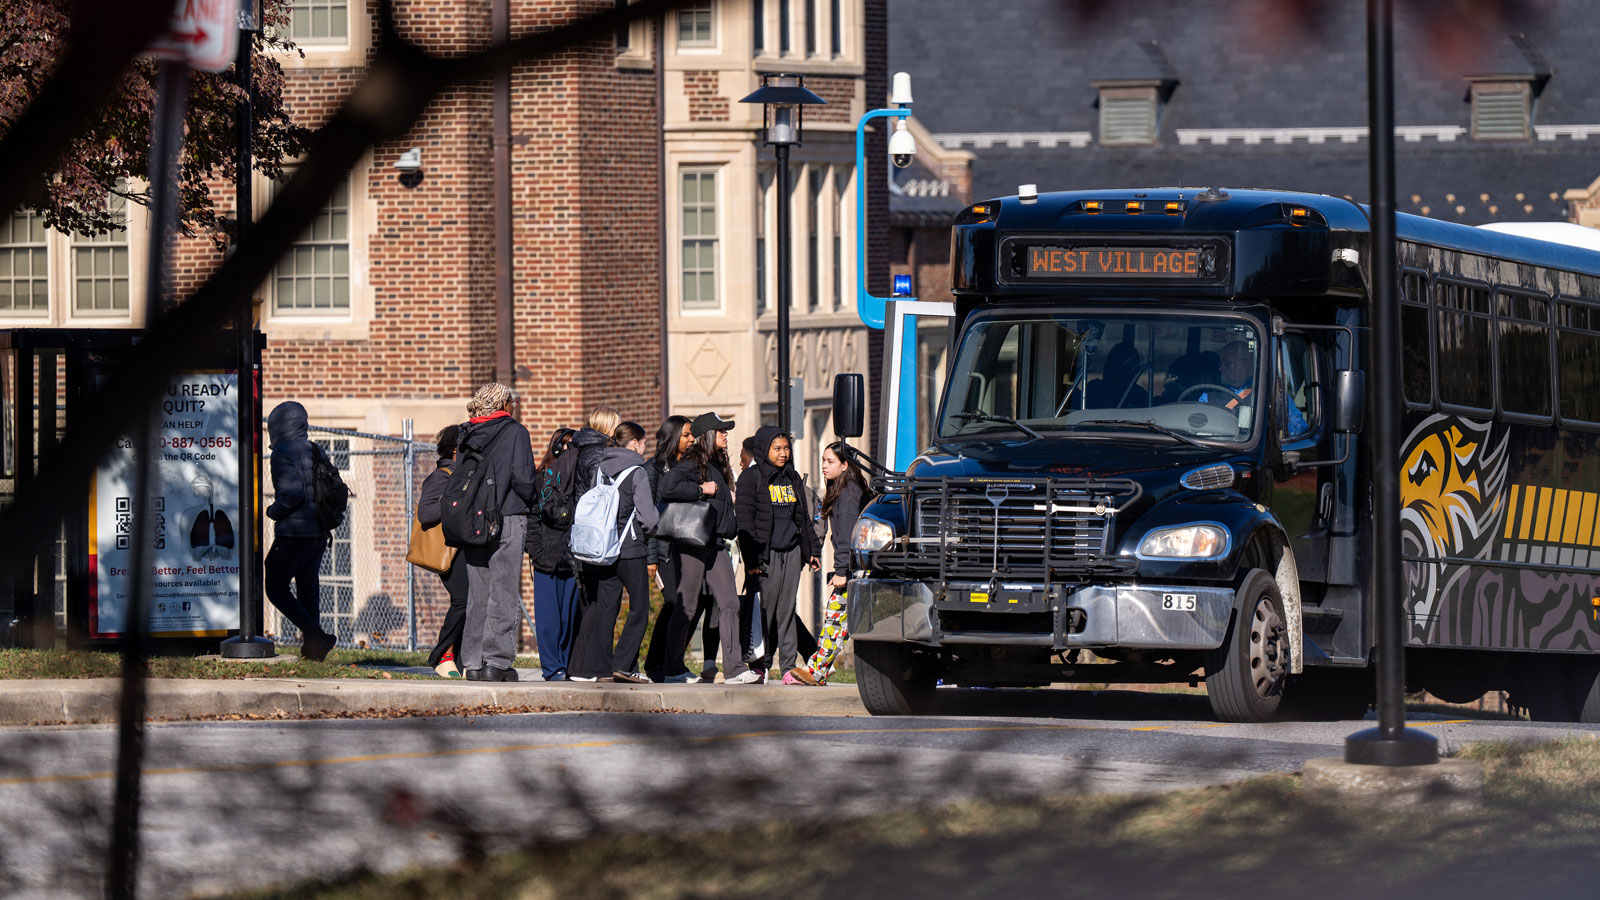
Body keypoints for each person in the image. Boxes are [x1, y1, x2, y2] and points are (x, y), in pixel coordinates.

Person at [660, 412, 763, 683]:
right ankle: (671, 669)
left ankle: (734, 669)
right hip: (693, 544)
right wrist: (700, 490)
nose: (726, 435)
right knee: (688, 607)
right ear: (708, 435)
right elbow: (667, 487)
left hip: (717, 545)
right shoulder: (694, 462)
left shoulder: (717, 463)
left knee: (730, 603)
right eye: (721, 431)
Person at [569, 422, 659, 683]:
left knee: (608, 608)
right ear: (634, 444)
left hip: (604, 548)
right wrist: (654, 531)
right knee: (640, 607)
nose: (644, 448)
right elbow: (649, 518)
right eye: (643, 443)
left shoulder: (601, 469)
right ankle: (624, 664)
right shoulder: (637, 473)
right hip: (630, 550)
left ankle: (599, 667)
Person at [457, 383, 536, 683]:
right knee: (503, 592)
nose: (515, 406)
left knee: (479, 594)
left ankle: (474, 662)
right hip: (506, 516)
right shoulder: (516, 432)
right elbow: (524, 480)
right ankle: (497, 662)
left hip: (473, 521)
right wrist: (534, 500)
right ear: (505, 404)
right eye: (512, 401)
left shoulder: (467, 433)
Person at [736, 426, 821, 678]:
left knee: (786, 612)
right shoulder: (751, 478)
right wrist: (752, 560)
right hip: (765, 556)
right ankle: (760, 666)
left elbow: (803, 519)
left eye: (786, 448)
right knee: (765, 612)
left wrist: (811, 551)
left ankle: (788, 669)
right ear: (764, 450)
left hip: (791, 553)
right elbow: (745, 523)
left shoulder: (792, 478)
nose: (783, 453)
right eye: (777, 449)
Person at [788, 441, 871, 685]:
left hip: (853, 569)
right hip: (859, 568)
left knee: (835, 618)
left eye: (830, 461)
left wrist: (842, 571)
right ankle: (818, 670)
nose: (823, 466)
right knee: (838, 622)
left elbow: (846, 537)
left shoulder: (847, 496)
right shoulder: (847, 489)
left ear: (845, 465)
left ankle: (816, 671)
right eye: (823, 460)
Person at [264, 401, 337, 662]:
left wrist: (272, 511)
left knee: (275, 586)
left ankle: (315, 635)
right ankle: (313, 651)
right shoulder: (315, 449)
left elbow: (292, 495)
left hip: (294, 533)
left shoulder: (282, 452)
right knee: (308, 588)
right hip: (318, 533)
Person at [643, 415, 696, 682]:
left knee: (689, 605)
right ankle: (656, 665)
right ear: (674, 436)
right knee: (674, 602)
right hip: (663, 549)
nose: (691, 440)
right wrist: (652, 556)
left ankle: (671, 663)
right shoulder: (652, 470)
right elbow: (649, 516)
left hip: (687, 546)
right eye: (686, 435)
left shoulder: (690, 466)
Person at [527, 427, 580, 681]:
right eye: (566, 445)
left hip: (572, 558)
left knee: (569, 617)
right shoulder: (541, 479)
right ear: (556, 447)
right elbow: (531, 518)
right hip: (546, 557)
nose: (570, 450)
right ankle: (552, 667)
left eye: (574, 445)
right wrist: (535, 549)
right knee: (549, 618)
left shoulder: (579, 478)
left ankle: (567, 664)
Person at [418, 424, 468, 677]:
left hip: (467, 546)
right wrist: (456, 499)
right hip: (450, 550)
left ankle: (458, 658)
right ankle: (442, 655)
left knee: (470, 602)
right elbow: (426, 513)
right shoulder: (442, 476)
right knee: (462, 600)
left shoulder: (466, 476)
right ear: (456, 450)